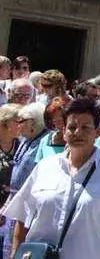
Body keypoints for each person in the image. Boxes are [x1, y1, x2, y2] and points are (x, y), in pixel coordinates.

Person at [4, 97, 100, 258]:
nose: (78, 133)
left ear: (97, 133)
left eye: (85, 127)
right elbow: (22, 216)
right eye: (72, 127)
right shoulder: (45, 167)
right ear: (63, 132)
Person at [2, 102, 47, 259]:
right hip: (15, 203)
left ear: (34, 123)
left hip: (29, 208)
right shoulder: (26, 141)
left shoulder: (43, 142)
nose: (18, 125)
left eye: (22, 121)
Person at [35, 96, 100, 161]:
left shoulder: (88, 136)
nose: (57, 122)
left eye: (60, 117)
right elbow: (38, 167)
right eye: (53, 119)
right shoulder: (46, 140)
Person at [0, 104, 20, 251]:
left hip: (12, 209)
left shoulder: (23, 145)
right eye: (18, 121)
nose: (22, 125)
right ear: (5, 123)